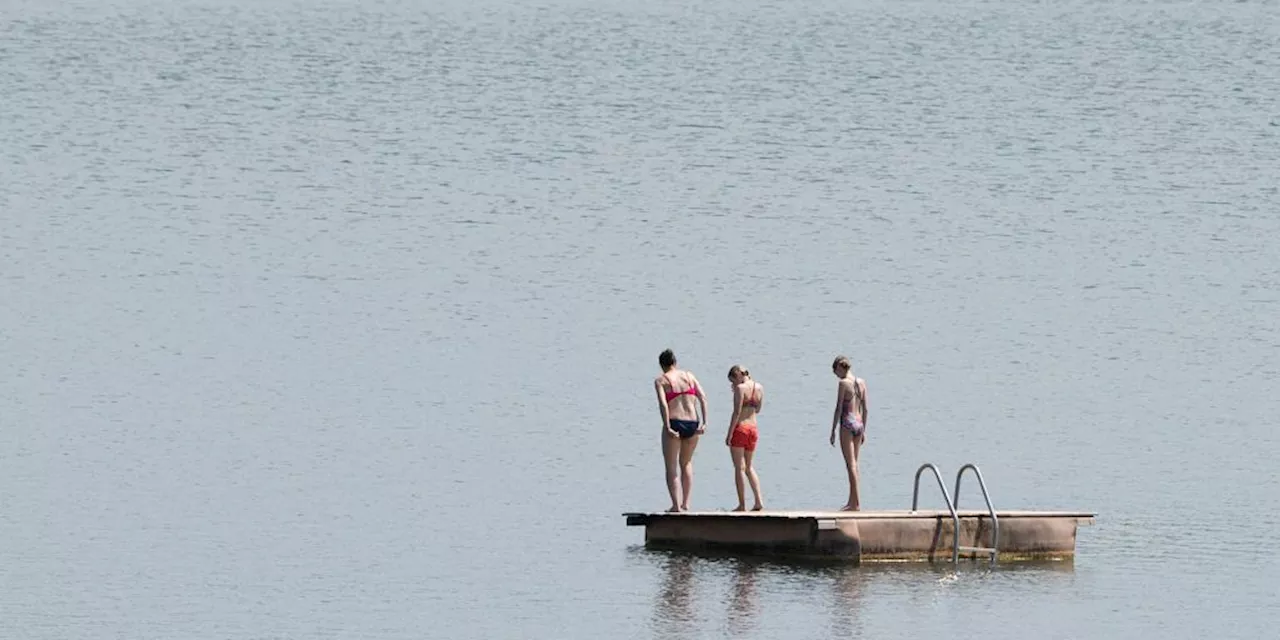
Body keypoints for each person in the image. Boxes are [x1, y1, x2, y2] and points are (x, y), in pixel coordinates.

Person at [654, 349, 708, 512]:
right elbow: (703, 397)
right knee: (686, 463)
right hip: (693, 422)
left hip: (675, 422)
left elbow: (663, 404)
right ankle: (686, 503)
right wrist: (704, 422)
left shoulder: (661, 380)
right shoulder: (689, 376)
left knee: (671, 466)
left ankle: (676, 506)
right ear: (675, 362)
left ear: (661, 365)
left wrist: (668, 426)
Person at [829, 356, 869, 511]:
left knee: (850, 464)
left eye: (836, 372)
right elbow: (865, 409)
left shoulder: (844, 383)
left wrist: (832, 430)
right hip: (859, 424)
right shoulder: (861, 382)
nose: (837, 376)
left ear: (840, 368)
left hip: (847, 423)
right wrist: (864, 429)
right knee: (855, 464)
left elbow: (839, 408)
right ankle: (852, 500)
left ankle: (855, 503)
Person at [726, 365, 765, 511]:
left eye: (733, 381)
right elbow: (759, 409)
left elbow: (736, 412)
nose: (733, 385)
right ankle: (758, 501)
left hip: (741, 428)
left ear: (738, 376)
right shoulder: (760, 387)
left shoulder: (740, 388)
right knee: (749, 467)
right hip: (753, 429)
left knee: (739, 468)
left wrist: (729, 434)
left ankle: (742, 505)